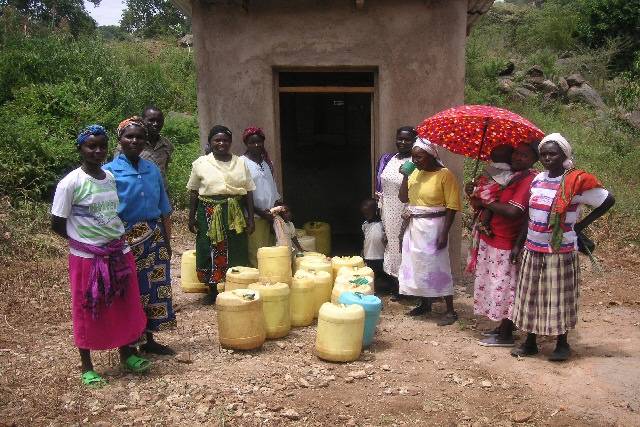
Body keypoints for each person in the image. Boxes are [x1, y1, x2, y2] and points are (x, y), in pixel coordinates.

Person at [51, 125, 150, 387]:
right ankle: (87, 366)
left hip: (118, 251)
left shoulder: (109, 178)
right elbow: (57, 224)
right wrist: (87, 245)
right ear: (80, 149)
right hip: (88, 258)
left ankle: (127, 353)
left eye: (102, 146)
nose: (97, 151)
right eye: (90, 146)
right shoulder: (70, 183)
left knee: (124, 302)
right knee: (88, 308)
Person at [510, 133, 614, 361]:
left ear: (564, 155)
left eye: (552, 153)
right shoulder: (537, 179)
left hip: (560, 251)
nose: (547, 157)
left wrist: (580, 225)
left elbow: (608, 200)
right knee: (531, 296)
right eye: (543, 154)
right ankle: (530, 342)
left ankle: (562, 343)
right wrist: (519, 244)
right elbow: (529, 214)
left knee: (559, 298)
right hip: (532, 247)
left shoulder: (576, 182)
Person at [104, 117, 176, 355]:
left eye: (139, 137)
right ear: (120, 140)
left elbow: (163, 207)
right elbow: (104, 212)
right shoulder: (109, 172)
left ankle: (149, 339)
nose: (134, 140)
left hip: (153, 237)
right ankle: (127, 345)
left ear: (145, 141)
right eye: (129, 136)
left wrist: (167, 240)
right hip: (124, 238)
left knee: (153, 288)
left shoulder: (152, 169)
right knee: (128, 290)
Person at [466, 143, 539, 347]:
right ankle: (502, 327)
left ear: (534, 160)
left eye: (525, 155)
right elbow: (487, 200)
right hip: (492, 236)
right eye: (517, 153)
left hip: (507, 239)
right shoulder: (508, 176)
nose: (518, 157)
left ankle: (506, 333)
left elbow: (513, 211)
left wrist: (484, 203)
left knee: (505, 287)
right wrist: (474, 192)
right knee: (496, 285)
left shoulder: (528, 179)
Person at [187, 125, 256, 304]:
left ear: (230, 142)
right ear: (210, 142)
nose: (221, 143)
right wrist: (191, 217)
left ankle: (236, 285)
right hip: (208, 211)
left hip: (235, 212)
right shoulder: (200, 163)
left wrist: (250, 218)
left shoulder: (240, 162)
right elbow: (194, 191)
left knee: (237, 247)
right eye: (217, 140)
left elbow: (249, 191)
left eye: (225, 140)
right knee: (210, 247)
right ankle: (212, 289)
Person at [398, 138, 461, 326]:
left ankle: (450, 309)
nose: (415, 161)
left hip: (434, 226)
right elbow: (403, 198)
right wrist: (405, 176)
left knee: (438, 265)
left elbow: (452, 206)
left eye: (419, 157)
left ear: (432, 155)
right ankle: (425, 303)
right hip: (415, 226)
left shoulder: (445, 175)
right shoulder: (415, 174)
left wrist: (444, 233)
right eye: (413, 157)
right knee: (417, 264)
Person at [376, 126, 416, 298]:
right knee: (391, 244)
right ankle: (396, 283)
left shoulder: (418, 161)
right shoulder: (388, 159)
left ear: (415, 141)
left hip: (405, 209)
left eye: (407, 139)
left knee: (405, 245)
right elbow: (380, 184)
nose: (402, 142)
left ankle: (409, 288)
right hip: (388, 208)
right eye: (400, 138)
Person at [240, 127, 281, 267]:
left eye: (259, 142)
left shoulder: (267, 163)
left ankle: (271, 284)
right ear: (246, 144)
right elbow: (243, 195)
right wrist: (261, 213)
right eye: (252, 142)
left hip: (270, 216)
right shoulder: (242, 163)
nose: (256, 145)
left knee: (271, 254)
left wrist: (278, 209)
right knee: (257, 254)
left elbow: (272, 189)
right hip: (254, 217)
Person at [114, 106, 174, 193]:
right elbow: (118, 171)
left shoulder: (167, 145)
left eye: (159, 121)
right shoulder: (129, 145)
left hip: (161, 193)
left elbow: (164, 168)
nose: (155, 124)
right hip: (136, 194)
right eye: (151, 120)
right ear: (143, 121)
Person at [468, 144, 514, 236]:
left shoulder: (489, 167)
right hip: (489, 192)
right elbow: (505, 181)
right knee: (490, 206)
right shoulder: (506, 168)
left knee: (484, 206)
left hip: (480, 189)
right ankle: (484, 225)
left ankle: (474, 222)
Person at [360, 198, 385, 282]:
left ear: (375, 211)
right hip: (368, 255)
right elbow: (365, 239)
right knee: (371, 275)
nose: (366, 215)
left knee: (381, 274)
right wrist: (363, 251)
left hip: (380, 256)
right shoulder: (365, 224)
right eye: (364, 214)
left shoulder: (382, 224)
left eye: (368, 213)